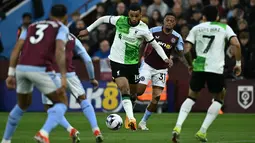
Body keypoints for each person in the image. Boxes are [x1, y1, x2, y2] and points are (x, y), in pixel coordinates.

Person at [79, 3, 172, 131]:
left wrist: (165, 58)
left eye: (136, 16)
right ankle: (131, 119)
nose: (134, 18)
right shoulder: (119, 20)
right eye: (132, 15)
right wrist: (88, 30)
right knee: (124, 89)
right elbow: (102, 19)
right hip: (116, 61)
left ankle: (130, 114)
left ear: (140, 15)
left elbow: (155, 45)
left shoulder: (144, 29)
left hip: (133, 64)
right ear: (128, 14)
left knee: (136, 92)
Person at [171, 6, 241, 143]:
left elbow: (186, 50)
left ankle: (177, 127)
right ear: (217, 17)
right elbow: (236, 44)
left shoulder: (197, 28)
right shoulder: (224, 27)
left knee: (191, 97)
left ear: (203, 17)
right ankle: (202, 131)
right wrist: (238, 63)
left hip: (199, 66)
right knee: (219, 97)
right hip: (215, 68)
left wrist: (190, 64)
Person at [1, 4, 69, 143]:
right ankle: (44, 133)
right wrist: (63, 76)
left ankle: (5, 140)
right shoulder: (61, 28)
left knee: (22, 105)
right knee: (61, 102)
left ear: (50, 14)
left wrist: (10, 74)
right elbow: (60, 51)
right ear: (65, 17)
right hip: (39, 68)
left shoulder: (31, 26)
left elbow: (16, 49)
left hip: (21, 68)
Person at [41, 33, 103, 143]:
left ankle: (71, 130)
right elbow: (87, 59)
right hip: (70, 74)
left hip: (52, 74)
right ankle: (96, 130)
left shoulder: (46, 35)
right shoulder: (71, 37)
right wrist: (92, 78)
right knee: (82, 99)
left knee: (49, 106)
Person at [137, 12, 191, 130]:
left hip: (161, 69)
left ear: (175, 23)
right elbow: (142, 45)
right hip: (147, 64)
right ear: (164, 21)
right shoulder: (153, 31)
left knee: (156, 98)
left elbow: (181, 55)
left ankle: (143, 122)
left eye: (172, 21)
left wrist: (188, 66)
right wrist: (138, 60)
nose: (169, 22)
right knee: (140, 91)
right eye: (167, 20)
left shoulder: (177, 37)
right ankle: (128, 97)